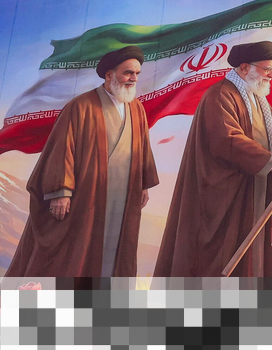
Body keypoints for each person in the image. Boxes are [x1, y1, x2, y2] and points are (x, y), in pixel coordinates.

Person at [153, 41, 272, 277]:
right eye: (268, 69)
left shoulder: (255, 97)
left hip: (250, 189)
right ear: (244, 68)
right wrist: (267, 160)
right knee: (217, 255)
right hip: (222, 195)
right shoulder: (220, 95)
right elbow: (225, 138)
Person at [6, 46, 159, 277]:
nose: (134, 79)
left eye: (137, 73)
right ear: (109, 74)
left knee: (116, 250)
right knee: (77, 252)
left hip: (124, 195)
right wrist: (61, 191)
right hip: (86, 196)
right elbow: (62, 150)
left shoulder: (136, 108)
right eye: (128, 73)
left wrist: (143, 184)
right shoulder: (81, 106)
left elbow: (142, 148)